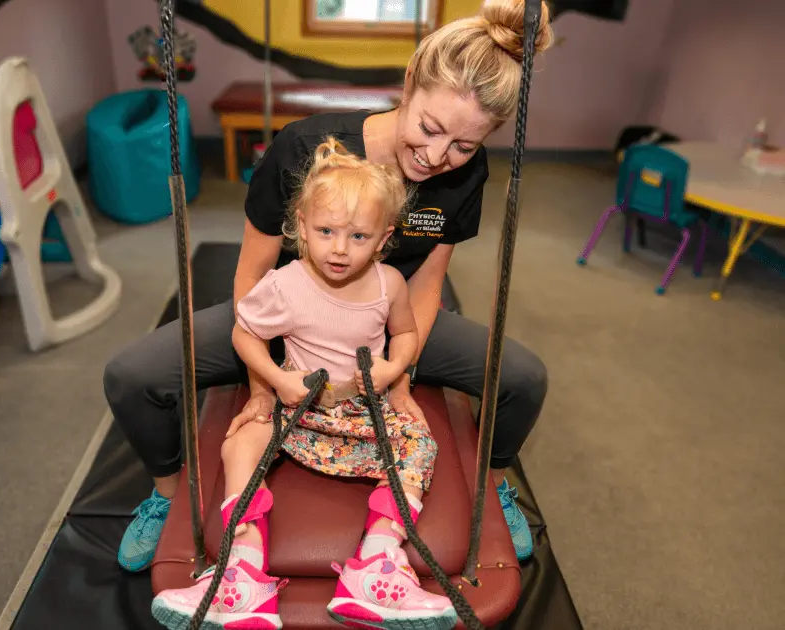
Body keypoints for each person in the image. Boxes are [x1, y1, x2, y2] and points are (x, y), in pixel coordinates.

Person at [104, 0, 553, 576]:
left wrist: (399, 376)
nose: (439, 157)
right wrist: (263, 385)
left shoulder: (467, 173)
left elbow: (428, 283)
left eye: (463, 146)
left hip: (384, 318)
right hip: (286, 318)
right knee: (132, 376)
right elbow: (251, 275)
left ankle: (493, 490)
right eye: (430, 128)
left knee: (522, 379)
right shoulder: (304, 148)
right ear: (409, 84)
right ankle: (165, 498)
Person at [152, 136, 458, 630]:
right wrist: (273, 380)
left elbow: (405, 333)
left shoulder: (389, 286)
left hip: (363, 417)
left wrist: (391, 369)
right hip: (298, 411)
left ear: (383, 240)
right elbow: (244, 333)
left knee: (421, 443)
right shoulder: (286, 285)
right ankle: (243, 570)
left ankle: (378, 564)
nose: (339, 248)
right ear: (301, 229)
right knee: (241, 441)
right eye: (326, 231)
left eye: (359, 237)